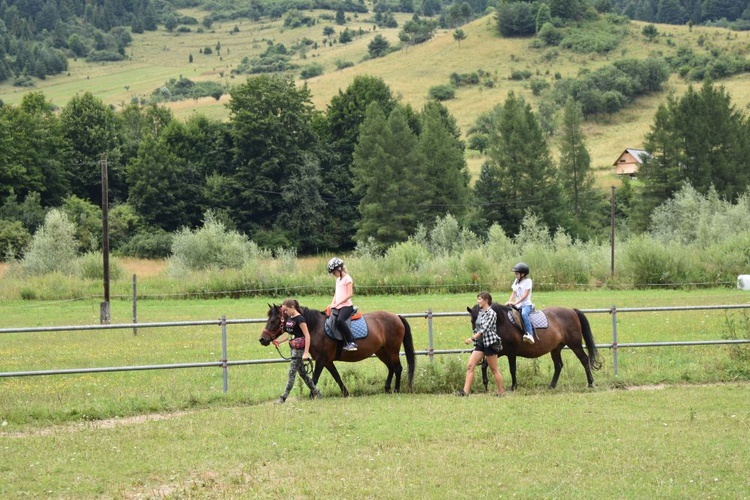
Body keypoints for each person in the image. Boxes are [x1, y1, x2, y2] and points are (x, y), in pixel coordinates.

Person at [455, 292, 505, 397]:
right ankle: (465, 391)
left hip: (490, 343)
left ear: (486, 300)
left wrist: (472, 338)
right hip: (480, 344)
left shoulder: (492, 313)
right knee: (470, 366)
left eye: (479, 299)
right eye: (478, 299)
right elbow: (477, 327)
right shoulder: (481, 312)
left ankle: (501, 392)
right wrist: (476, 341)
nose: (478, 301)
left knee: (494, 370)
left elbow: (484, 329)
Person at [273, 298, 322, 404]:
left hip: (299, 349)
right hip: (293, 347)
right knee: (303, 374)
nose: (285, 313)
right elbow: (291, 333)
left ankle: (283, 398)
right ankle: (317, 392)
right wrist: (279, 341)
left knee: (291, 373)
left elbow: (307, 335)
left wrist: (306, 352)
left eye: (286, 310)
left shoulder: (300, 319)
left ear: (292, 307)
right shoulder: (290, 318)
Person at [327, 257, 358, 352]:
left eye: (333, 272)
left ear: (339, 269)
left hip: (346, 306)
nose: (333, 274)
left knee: (340, 320)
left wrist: (338, 303)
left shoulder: (347, 279)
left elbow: (349, 294)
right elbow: (336, 294)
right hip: (338, 305)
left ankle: (351, 342)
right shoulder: (338, 280)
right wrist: (332, 304)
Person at [507, 262, 535, 344]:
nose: (515, 275)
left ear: (523, 274)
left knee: (524, 314)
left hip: (526, 305)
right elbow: (514, 292)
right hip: (518, 305)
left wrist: (515, 303)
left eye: (517, 273)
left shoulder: (528, 281)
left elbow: (525, 295)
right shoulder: (516, 281)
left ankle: (530, 334)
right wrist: (509, 301)